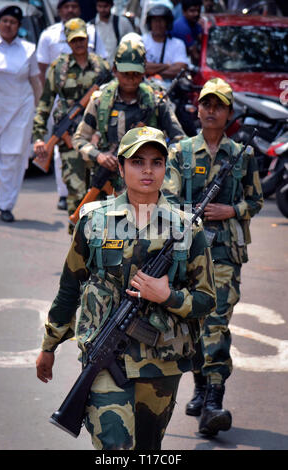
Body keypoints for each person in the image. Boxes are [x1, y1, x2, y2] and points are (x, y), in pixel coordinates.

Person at [36, 125, 216, 450]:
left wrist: (168, 296)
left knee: (148, 451)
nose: (147, 170)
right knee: (115, 447)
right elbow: (70, 287)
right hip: (106, 359)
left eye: (156, 162)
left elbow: (206, 300)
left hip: (161, 363)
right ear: (120, 167)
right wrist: (49, 345)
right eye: (137, 161)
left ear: (166, 168)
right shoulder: (93, 221)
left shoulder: (187, 228)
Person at [162, 77, 264, 436]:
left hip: (224, 253)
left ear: (229, 113)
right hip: (188, 252)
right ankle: (200, 386)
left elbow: (256, 200)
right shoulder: (180, 152)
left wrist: (231, 210)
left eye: (218, 105)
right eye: (206, 104)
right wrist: (192, 214)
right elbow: (169, 200)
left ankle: (213, 401)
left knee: (216, 321)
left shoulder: (243, 156)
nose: (210, 110)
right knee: (192, 322)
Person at [72, 37, 186, 198]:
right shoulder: (100, 100)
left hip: (147, 187)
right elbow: (79, 139)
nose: (131, 79)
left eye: (136, 73)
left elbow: (180, 140)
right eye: (125, 73)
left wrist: (157, 161)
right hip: (108, 183)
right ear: (114, 70)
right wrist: (99, 156)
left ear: (144, 71)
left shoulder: (156, 101)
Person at [32, 18, 111, 233]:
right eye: (74, 40)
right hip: (68, 140)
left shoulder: (101, 66)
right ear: (67, 42)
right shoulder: (58, 68)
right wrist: (39, 136)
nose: (78, 43)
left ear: (88, 39)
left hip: (97, 140)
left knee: (100, 195)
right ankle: (76, 249)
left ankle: (98, 252)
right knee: (77, 194)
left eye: (82, 39)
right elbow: (45, 102)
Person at [0, 5, 41, 223]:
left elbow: (35, 82)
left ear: (18, 27)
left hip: (21, 108)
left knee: (12, 158)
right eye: (5, 21)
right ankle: (0, 188)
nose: (8, 25)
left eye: (13, 22)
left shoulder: (28, 49)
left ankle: (6, 204)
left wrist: (39, 111)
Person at [141, 4, 192, 83]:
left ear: (167, 23)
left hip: (170, 90)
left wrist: (151, 70)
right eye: (155, 20)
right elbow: (140, 67)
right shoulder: (141, 41)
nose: (158, 24)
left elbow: (180, 70)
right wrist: (167, 66)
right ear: (149, 23)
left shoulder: (178, 44)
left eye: (161, 20)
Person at [88, 0, 134, 66]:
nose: (102, 10)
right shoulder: (90, 26)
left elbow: (133, 45)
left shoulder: (123, 23)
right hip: (98, 69)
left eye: (105, 6)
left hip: (119, 68)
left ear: (111, 5)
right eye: (100, 6)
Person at [171, 0, 203, 64]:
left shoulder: (194, 23)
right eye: (192, 11)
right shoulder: (183, 27)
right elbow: (195, 55)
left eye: (198, 10)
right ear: (184, 12)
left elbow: (202, 38)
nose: (196, 14)